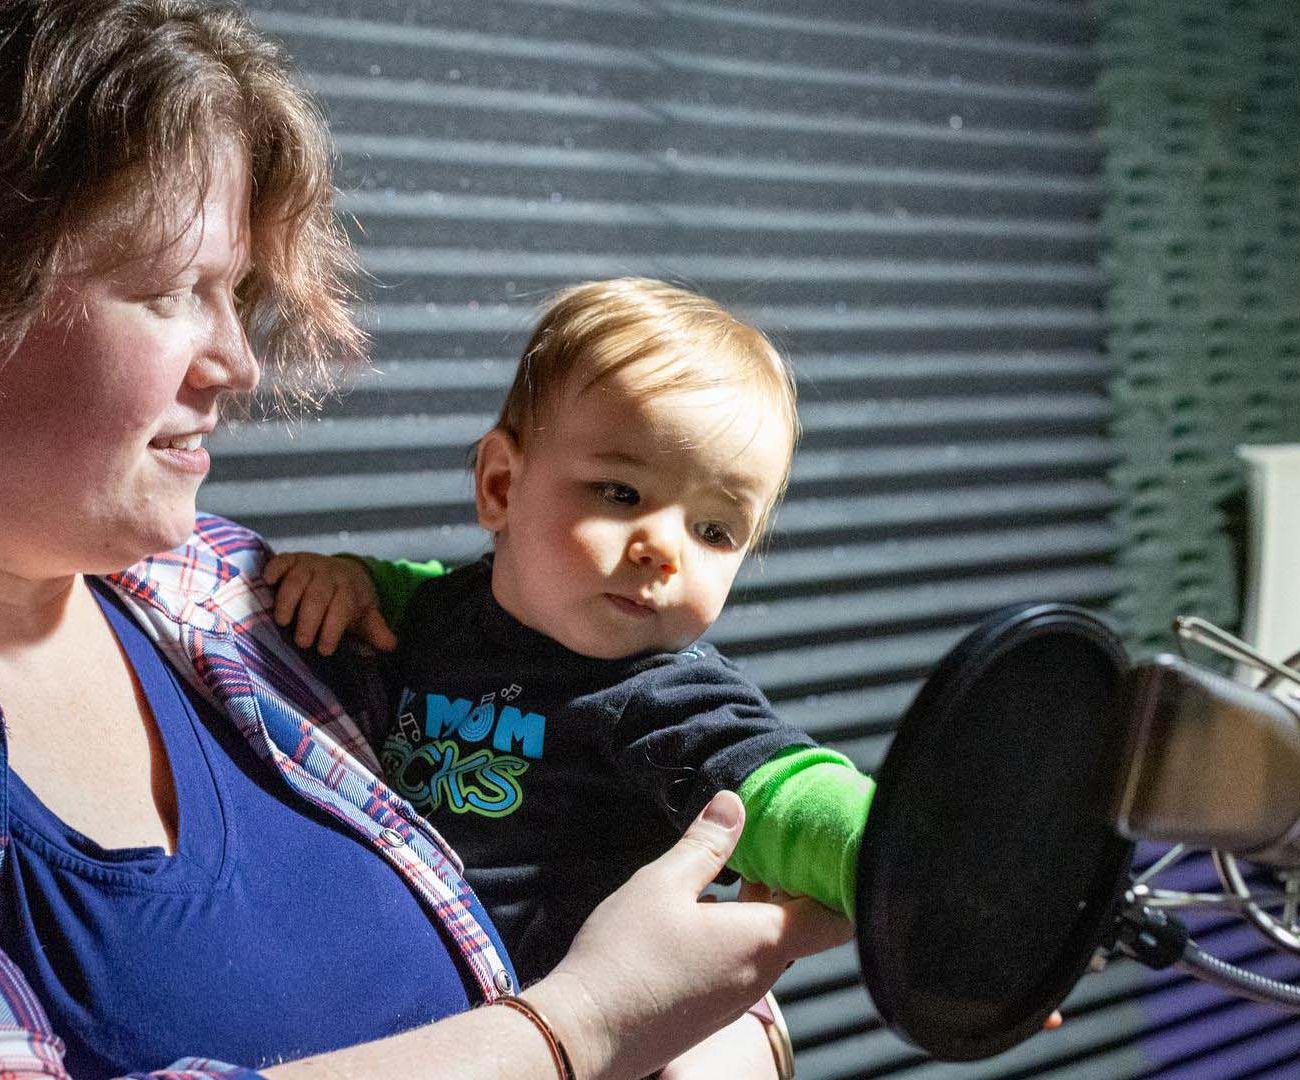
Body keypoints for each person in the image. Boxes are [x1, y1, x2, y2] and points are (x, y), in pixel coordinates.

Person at [0, 3, 849, 1078]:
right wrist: (578, 1032)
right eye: (172, 290)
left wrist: (727, 1026)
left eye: (236, 294)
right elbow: (592, 1005)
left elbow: (574, 848)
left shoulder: (227, 598)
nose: (233, 360)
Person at [264, 279, 876, 981]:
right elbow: (410, 587)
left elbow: (785, 793)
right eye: (621, 494)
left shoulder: (665, 697)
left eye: (714, 529)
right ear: (500, 486)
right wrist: (348, 578)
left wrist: (929, 875)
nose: (664, 549)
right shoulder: (441, 610)